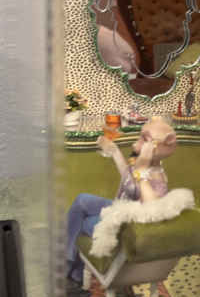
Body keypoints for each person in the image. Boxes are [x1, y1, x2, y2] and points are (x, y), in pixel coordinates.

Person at [66, 116, 177, 282]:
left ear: (154, 146)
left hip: (126, 225)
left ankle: (72, 267)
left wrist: (141, 170)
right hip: (120, 208)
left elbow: (152, 209)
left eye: (144, 138)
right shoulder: (149, 166)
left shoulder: (157, 177)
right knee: (82, 200)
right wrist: (114, 151)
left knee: (82, 222)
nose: (137, 141)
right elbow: (129, 181)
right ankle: (70, 263)